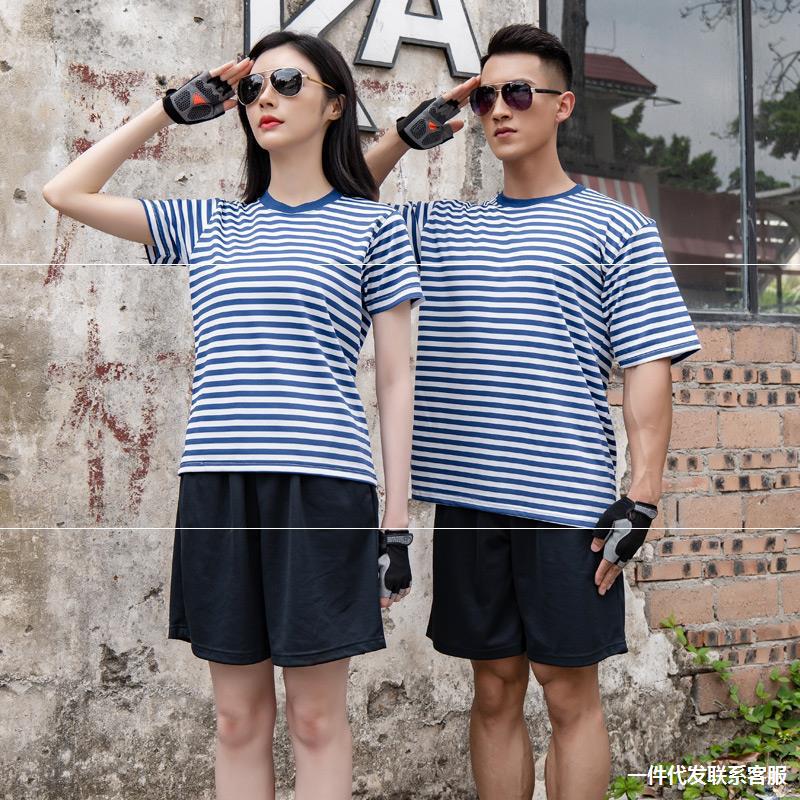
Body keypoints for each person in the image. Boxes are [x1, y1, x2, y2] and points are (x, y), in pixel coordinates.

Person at [43, 30, 423, 800]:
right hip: (217, 486)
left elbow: (396, 378)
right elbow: (66, 192)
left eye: (288, 82)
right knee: (236, 720)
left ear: (336, 105)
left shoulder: (373, 227)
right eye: (253, 88)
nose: (265, 99)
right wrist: (167, 111)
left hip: (322, 490)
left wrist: (396, 522)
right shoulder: (211, 222)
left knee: (315, 720)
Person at [366, 23, 701, 800]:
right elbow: (341, 202)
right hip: (470, 499)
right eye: (485, 96)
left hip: (568, 505)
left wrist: (642, 495)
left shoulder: (617, 229)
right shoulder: (441, 226)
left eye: (517, 93)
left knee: (567, 690)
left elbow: (648, 366)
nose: (498, 110)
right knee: (492, 690)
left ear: (563, 106)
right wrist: (408, 133)